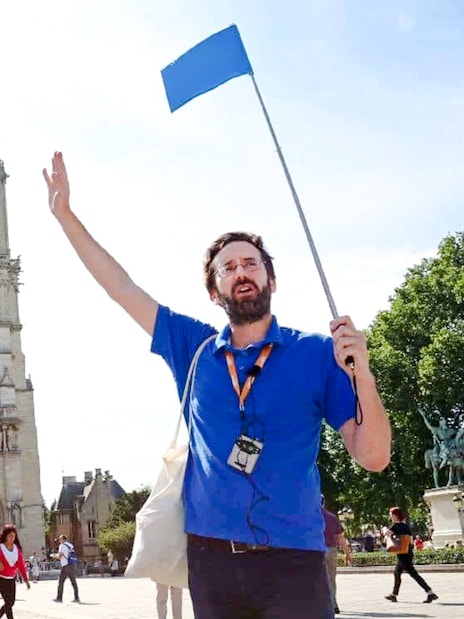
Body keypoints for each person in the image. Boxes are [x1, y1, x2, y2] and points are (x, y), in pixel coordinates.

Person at [43, 152, 391, 619]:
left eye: (252, 262)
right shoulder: (194, 348)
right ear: (214, 290)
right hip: (212, 563)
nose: (242, 271)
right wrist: (66, 217)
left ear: (271, 278)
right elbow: (120, 287)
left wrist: (362, 372)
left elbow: (374, 456)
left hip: (296, 561)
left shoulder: (316, 353)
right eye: (229, 267)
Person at [383, 507, 438, 604]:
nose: (390, 516)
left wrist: (384, 529)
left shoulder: (396, 526)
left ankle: (430, 592)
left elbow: (387, 533)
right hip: (407, 553)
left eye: (391, 514)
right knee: (397, 573)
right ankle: (394, 595)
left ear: (395, 515)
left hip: (403, 555)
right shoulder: (405, 526)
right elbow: (411, 541)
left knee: (413, 574)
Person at [322, 496, 352, 615]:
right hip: (331, 549)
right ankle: (333, 604)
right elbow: (341, 537)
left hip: (315, 550)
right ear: (324, 503)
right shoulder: (332, 517)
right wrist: (347, 553)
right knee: (331, 578)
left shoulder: (309, 516)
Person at [0, 524, 30, 618]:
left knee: (11, 602)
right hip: (1, 579)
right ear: (5, 536)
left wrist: (26, 580)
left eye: (14, 536)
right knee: (8, 603)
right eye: (10, 536)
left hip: (11, 579)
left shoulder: (17, 549)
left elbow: (21, 565)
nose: (12, 538)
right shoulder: (0, 547)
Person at [53, 534, 80, 603]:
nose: (59, 541)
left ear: (62, 540)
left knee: (61, 582)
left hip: (65, 565)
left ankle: (59, 598)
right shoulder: (70, 545)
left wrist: (54, 556)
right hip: (72, 564)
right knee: (73, 581)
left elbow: (60, 556)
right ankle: (76, 597)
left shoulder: (62, 546)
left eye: (60, 539)